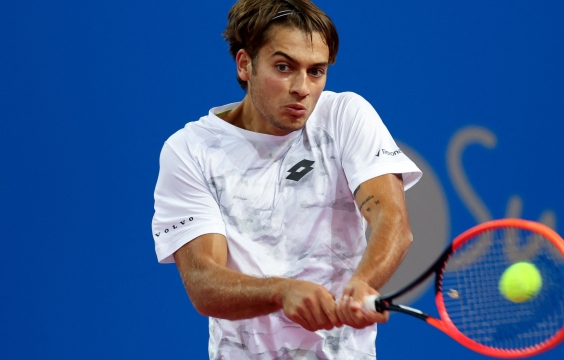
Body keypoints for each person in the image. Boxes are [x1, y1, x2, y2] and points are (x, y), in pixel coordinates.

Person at [151, 0, 422, 358]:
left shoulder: (345, 116)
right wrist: (282, 292)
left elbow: (392, 221)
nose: (302, 88)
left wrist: (362, 282)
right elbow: (204, 282)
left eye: (316, 72)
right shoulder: (190, 150)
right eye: (284, 67)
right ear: (245, 64)